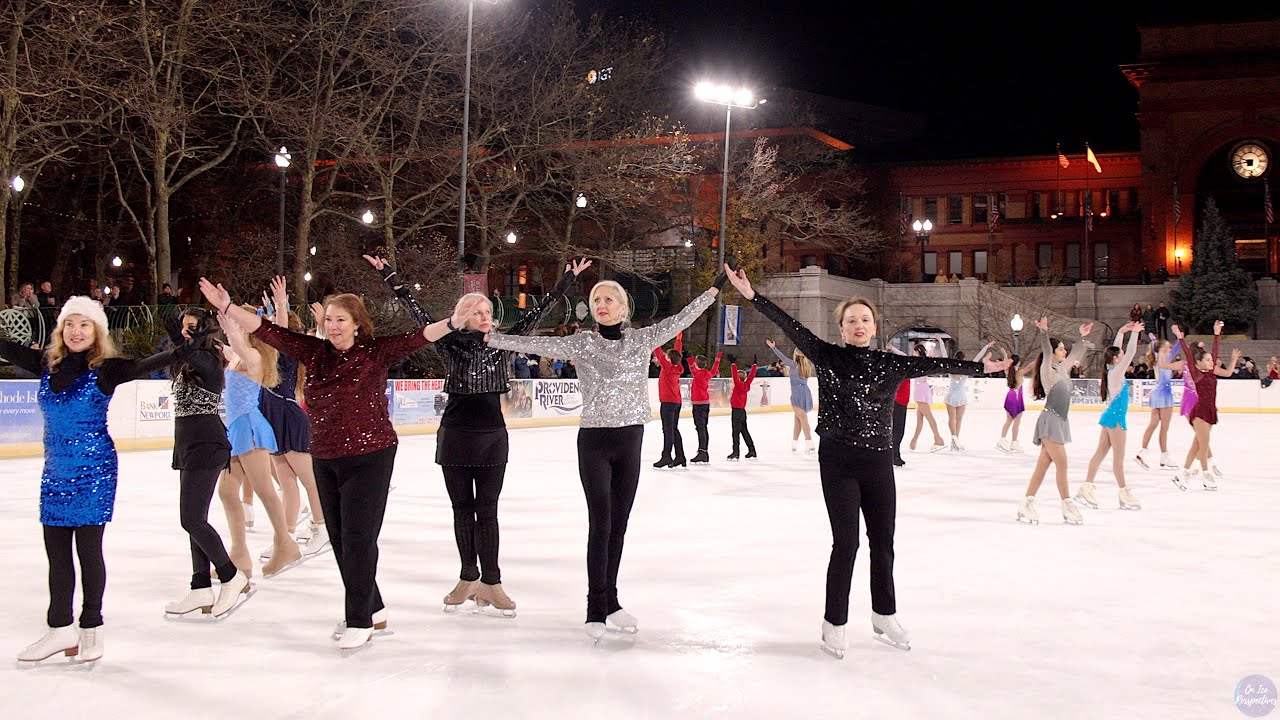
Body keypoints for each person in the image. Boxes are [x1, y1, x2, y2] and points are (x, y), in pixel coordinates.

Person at [724, 266, 983, 658]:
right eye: (851, 321)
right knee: (845, 543)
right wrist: (753, 297)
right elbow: (791, 327)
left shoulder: (890, 363)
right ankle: (834, 622)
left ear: (874, 327)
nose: (858, 325)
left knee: (883, 542)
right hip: (839, 460)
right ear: (841, 329)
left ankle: (884, 615)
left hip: (878, 461)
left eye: (865, 319)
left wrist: (985, 369)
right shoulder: (826, 356)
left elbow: (938, 366)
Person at [198, 276, 466, 651]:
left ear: (357, 323)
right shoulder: (315, 352)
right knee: (340, 539)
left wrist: (452, 322)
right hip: (324, 455)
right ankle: (372, 607)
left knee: (358, 538)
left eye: (341, 320)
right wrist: (227, 308)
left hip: (371, 455)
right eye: (329, 320)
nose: (334, 327)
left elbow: (418, 336)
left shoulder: (375, 351)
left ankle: (358, 619)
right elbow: (268, 331)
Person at [486, 270, 722, 639]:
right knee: (601, 524)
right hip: (594, 440)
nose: (601, 305)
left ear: (623, 307)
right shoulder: (582, 344)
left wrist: (712, 290)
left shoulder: (641, 340)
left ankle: (611, 601)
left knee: (619, 525)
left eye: (608, 299)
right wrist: (491, 337)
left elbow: (681, 319)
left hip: (630, 439)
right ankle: (595, 607)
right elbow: (535, 345)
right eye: (596, 300)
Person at [368, 254, 588, 617]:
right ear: (462, 317)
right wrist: (390, 274)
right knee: (461, 510)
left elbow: (541, 310)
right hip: (455, 434)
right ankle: (468, 576)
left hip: (491, 436)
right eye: (476, 312)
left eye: (487, 312)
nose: (485, 318)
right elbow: (417, 313)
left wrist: (565, 281)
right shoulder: (448, 342)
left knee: (487, 511)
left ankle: (493, 582)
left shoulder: (504, 342)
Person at [1, 297, 177, 664]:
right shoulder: (47, 365)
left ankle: (91, 628)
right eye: (70, 324)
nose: (76, 331)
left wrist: (186, 348)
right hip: (55, 472)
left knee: (88, 552)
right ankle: (59, 629)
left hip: (94, 470)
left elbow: (147, 364)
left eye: (84, 324)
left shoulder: (105, 370)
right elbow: (6, 347)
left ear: (96, 330)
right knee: (57, 555)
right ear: (61, 330)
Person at [161, 308, 252, 620]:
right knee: (194, 518)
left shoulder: (210, 360)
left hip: (206, 445)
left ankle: (230, 575)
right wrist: (179, 340)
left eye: (192, 327)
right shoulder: (186, 360)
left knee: (191, 519)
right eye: (183, 328)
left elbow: (193, 356)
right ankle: (200, 585)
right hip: (188, 445)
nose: (186, 333)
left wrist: (177, 337)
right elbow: (180, 358)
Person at [258, 276, 328, 561]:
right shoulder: (267, 353)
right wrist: (265, 313)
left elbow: (281, 331)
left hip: (288, 417)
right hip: (272, 420)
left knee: (309, 480)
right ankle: (284, 538)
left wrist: (281, 305)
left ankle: (321, 528)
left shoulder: (287, 350)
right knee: (286, 484)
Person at [1016, 317, 1095, 526]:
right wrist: (1044, 332)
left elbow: (1077, 353)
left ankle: (1026, 502)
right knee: (1062, 463)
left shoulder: (1062, 369)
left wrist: (1081, 337)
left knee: (1042, 466)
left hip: (1059, 421)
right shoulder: (1047, 370)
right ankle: (1067, 504)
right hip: (1050, 420)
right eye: (1061, 349)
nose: (1064, 352)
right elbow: (1047, 350)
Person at [1077, 322, 1144, 511]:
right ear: (1115, 359)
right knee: (1118, 459)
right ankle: (1124, 492)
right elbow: (1129, 353)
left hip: (1110, 418)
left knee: (1100, 454)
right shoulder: (1115, 373)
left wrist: (1122, 331)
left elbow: (1118, 352)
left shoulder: (1112, 371)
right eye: (1119, 355)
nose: (1124, 357)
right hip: (1115, 420)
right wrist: (1133, 334)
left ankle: (1086, 486)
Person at [1170, 321, 1236, 491]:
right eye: (1207, 359)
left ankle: (1181, 474)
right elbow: (1188, 355)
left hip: (1209, 411)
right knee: (1203, 444)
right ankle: (1206, 475)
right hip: (1199, 412)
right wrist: (1180, 338)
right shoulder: (1196, 373)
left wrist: (1216, 334)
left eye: (1211, 360)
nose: (1211, 361)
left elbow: (1215, 351)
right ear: (1198, 363)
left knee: (1198, 445)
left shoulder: (1211, 372)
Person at [1136, 334, 1180, 470]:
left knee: (1153, 424)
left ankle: (1142, 452)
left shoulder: (1159, 359)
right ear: (1162, 348)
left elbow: (1173, 348)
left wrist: (1179, 338)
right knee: (1164, 427)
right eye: (1167, 345)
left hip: (1157, 394)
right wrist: (1180, 338)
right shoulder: (1163, 359)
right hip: (1165, 395)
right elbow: (1173, 348)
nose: (1170, 347)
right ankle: (1164, 455)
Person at [767, 338, 815, 454]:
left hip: (797, 394)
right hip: (805, 393)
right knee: (798, 421)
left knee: (803, 420)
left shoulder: (793, 365)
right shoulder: (807, 366)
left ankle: (810, 444)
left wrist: (773, 347)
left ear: (795, 355)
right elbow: (819, 359)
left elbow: (782, 357)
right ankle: (794, 445)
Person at [652, 335, 687, 469]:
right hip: (676, 402)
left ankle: (666, 456)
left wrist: (654, 340)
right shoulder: (677, 367)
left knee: (668, 430)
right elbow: (677, 354)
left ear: (668, 359)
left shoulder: (667, 367)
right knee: (673, 429)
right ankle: (680, 456)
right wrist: (678, 340)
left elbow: (659, 353)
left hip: (668, 403)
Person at [908, 344, 946, 453]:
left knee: (928, 416)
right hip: (921, 389)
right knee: (920, 419)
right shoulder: (920, 362)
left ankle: (938, 439)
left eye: (914, 351)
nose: (913, 353)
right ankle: (914, 441)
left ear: (918, 351)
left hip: (921, 390)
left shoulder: (921, 363)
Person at [997, 355, 1038, 453]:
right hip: (1017, 398)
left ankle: (1003, 439)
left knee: (1008, 421)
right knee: (1016, 422)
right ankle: (1013, 443)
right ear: (1018, 362)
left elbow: (1006, 362)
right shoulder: (1019, 373)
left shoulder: (1008, 371)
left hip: (1010, 396)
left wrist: (1005, 354)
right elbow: (1030, 366)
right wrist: (1039, 358)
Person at [688, 351, 722, 464]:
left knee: (700, 428)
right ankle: (703, 451)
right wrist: (717, 359)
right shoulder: (707, 374)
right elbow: (714, 369)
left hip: (698, 404)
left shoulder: (697, 374)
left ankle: (702, 452)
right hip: (705, 403)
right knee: (703, 427)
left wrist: (690, 358)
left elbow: (691, 366)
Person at [727, 362, 758, 460]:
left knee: (735, 432)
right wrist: (754, 366)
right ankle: (752, 450)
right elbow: (751, 376)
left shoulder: (738, 385)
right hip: (742, 412)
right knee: (744, 431)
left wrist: (733, 365)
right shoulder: (746, 384)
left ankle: (736, 452)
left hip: (736, 412)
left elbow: (735, 376)